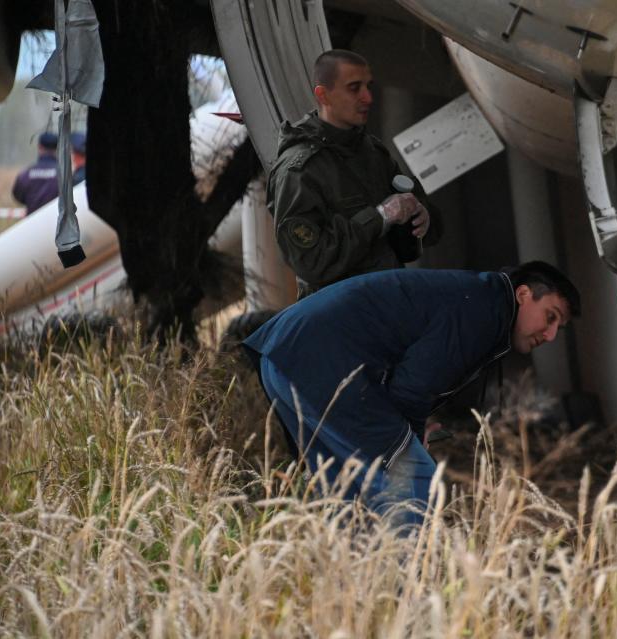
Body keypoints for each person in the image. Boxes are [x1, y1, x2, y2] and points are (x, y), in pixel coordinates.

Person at [242, 261, 580, 527]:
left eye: (558, 327)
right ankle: (400, 597)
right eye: (550, 317)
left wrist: (411, 432)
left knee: (342, 495)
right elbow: (412, 385)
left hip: (286, 357)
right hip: (322, 364)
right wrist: (411, 437)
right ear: (523, 295)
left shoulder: (479, 300)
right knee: (416, 486)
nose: (550, 335)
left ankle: (346, 595)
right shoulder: (481, 311)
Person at [266, 49, 441, 299]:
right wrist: (379, 217)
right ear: (323, 95)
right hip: (341, 318)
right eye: (354, 88)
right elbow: (311, 261)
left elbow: (423, 226)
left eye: (368, 86)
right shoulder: (299, 170)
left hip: (390, 302)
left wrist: (423, 217)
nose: (368, 97)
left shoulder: (373, 152)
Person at [12, 131, 59, 215]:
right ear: (56, 148)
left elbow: (17, 195)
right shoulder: (63, 174)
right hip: (56, 224)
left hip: (32, 224)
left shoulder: (26, 174)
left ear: (39, 147)